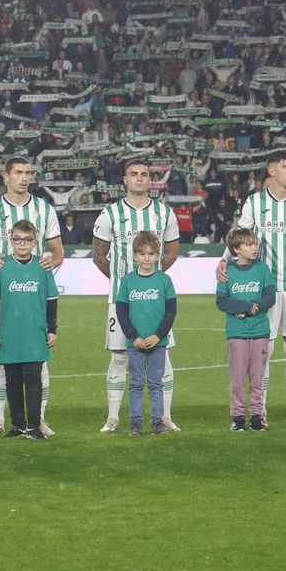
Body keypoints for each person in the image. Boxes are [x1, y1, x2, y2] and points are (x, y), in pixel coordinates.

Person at [214, 150, 286, 427]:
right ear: (271, 170)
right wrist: (224, 261)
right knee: (266, 351)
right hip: (265, 290)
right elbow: (240, 237)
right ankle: (261, 413)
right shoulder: (255, 202)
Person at [0, 157, 64, 436]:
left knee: (38, 364)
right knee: (0, 360)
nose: (24, 178)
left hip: (33, 295)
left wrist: (53, 261)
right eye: (18, 173)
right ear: (5, 176)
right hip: (5, 296)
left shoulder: (44, 209)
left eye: (28, 173)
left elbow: (58, 251)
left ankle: (38, 420)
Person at [93, 159, 181, 433]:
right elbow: (99, 256)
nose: (140, 178)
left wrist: (151, 282)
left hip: (155, 301)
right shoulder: (110, 214)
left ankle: (164, 417)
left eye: (144, 174)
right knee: (119, 357)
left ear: (150, 180)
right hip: (121, 302)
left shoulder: (164, 214)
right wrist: (126, 286)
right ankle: (113, 418)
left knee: (162, 357)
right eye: (134, 174)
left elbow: (172, 252)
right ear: (125, 180)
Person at [0, 220, 57, 439]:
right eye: (17, 239)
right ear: (11, 241)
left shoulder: (42, 267)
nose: (21, 243)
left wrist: (52, 329)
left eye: (26, 239)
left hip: (35, 334)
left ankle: (34, 426)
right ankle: (17, 425)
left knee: (33, 380)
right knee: (12, 381)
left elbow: (52, 300)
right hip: (9, 335)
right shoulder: (0, 267)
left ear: (34, 242)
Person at [113, 230, 178, 436]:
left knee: (156, 383)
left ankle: (157, 422)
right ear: (135, 256)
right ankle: (135, 423)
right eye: (142, 254)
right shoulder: (128, 282)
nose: (147, 258)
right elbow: (121, 312)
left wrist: (158, 335)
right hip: (136, 344)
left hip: (158, 343)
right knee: (136, 383)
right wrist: (134, 337)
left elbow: (171, 312)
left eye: (151, 254)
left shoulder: (164, 281)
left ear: (157, 255)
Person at [217, 226, 277, 433]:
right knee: (237, 378)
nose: (255, 248)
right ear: (236, 249)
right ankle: (238, 416)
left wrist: (251, 309)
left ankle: (257, 416)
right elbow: (221, 301)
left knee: (257, 378)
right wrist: (244, 307)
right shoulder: (227, 272)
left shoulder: (263, 270)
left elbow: (270, 297)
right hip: (236, 333)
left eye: (255, 244)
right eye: (249, 244)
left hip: (260, 331)